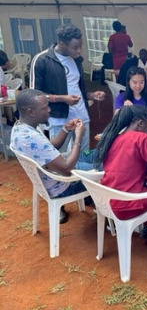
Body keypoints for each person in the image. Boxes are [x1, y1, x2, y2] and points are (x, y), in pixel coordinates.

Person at [11, 89, 94, 223]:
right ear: (31, 112)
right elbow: (67, 169)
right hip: (63, 186)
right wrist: (78, 138)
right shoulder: (32, 138)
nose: (49, 110)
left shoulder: (21, 129)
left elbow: (49, 148)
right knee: (105, 169)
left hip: (51, 178)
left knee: (97, 155)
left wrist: (66, 129)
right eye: (45, 108)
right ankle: (109, 215)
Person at [31, 24, 107, 153]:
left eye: (80, 47)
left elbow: (76, 89)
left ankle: (81, 173)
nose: (79, 51)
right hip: (59, 118)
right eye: (75, 47)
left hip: (81, 116)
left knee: (83, 154)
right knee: (61, 156)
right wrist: (62, 99)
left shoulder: (77, 60)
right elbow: (33, 95)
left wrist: (91, 95)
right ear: (62, 44)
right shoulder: (42, 60)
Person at [94, 104, 147, 222]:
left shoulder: (113, 137)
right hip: (127, 205)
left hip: (107, 199)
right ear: (140, 123)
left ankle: (146, 227)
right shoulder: (143, 139)